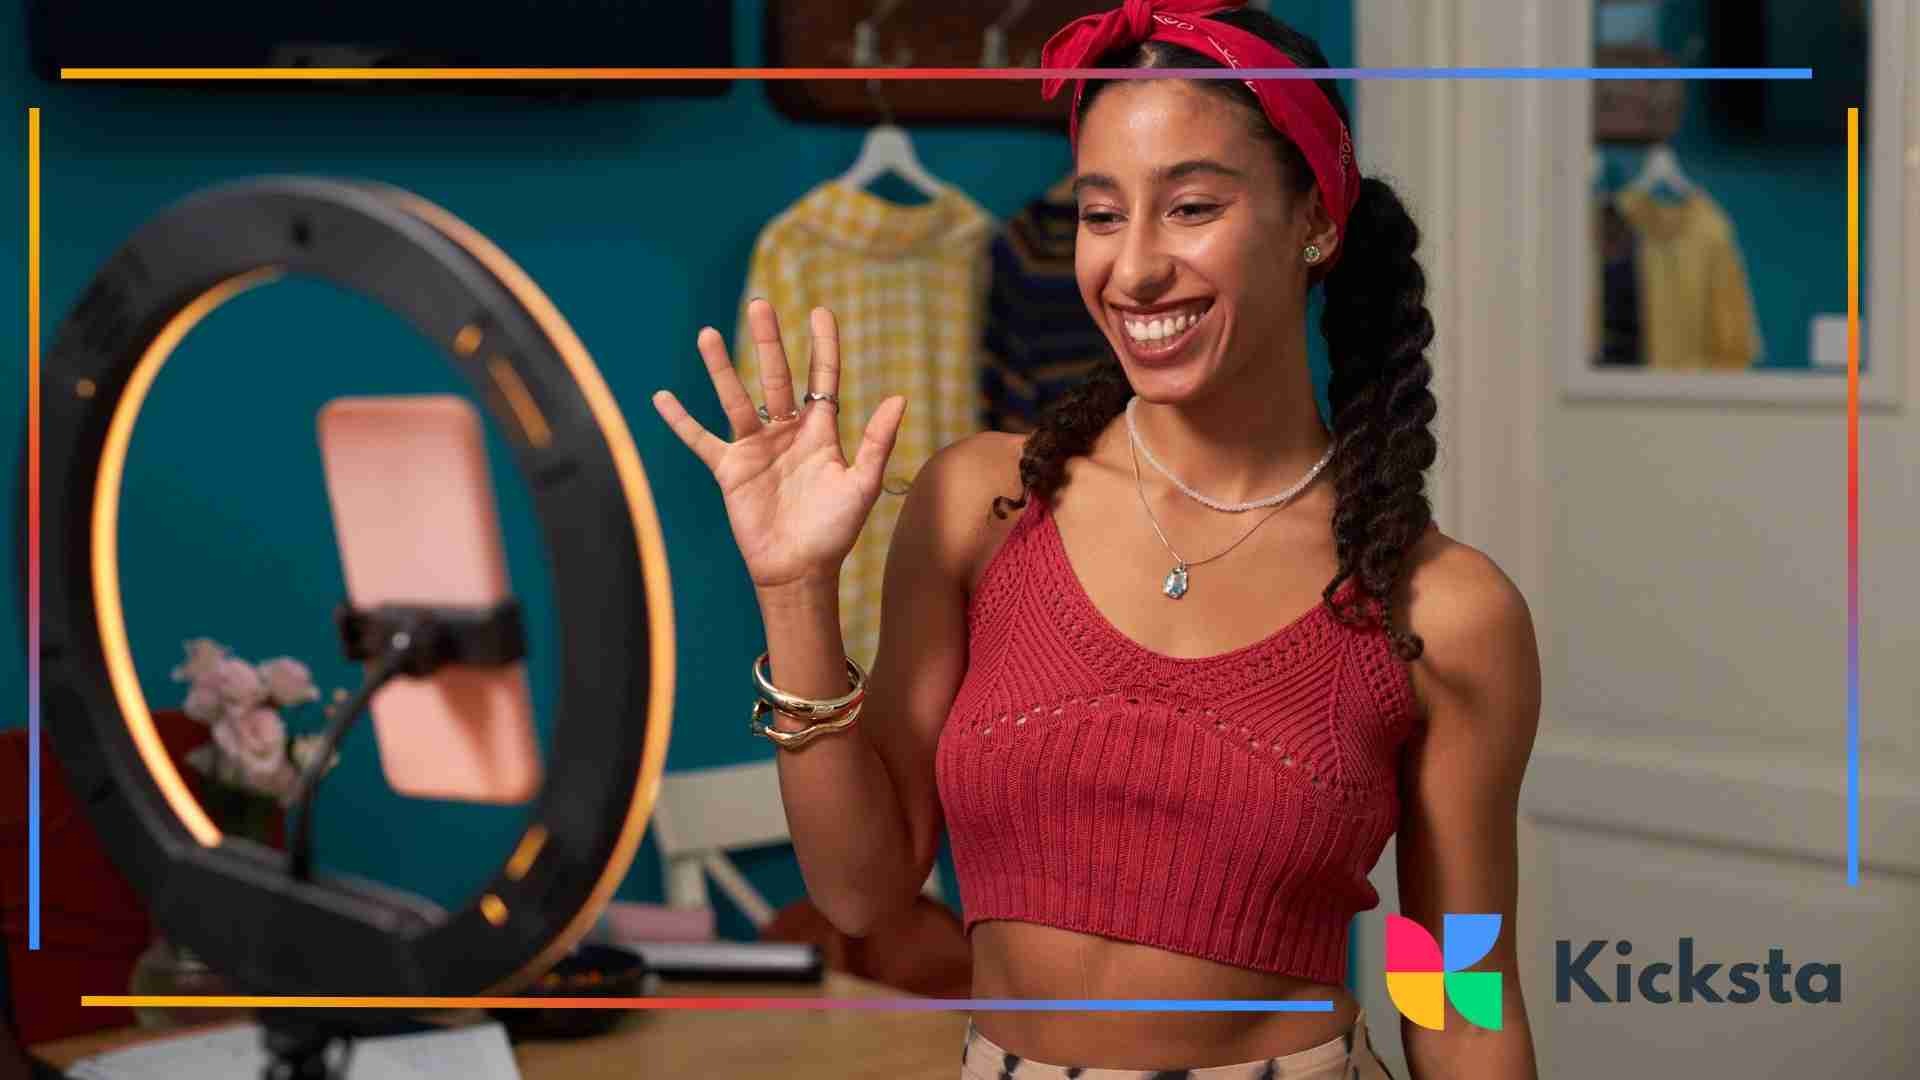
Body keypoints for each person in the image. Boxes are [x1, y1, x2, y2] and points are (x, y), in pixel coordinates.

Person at [652, 2, 1541, 1076]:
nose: (1134, 270)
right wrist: (795, 592)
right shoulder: (983, 507)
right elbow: (863, 890)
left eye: (1193, 207)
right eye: (1102, 213)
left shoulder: (1442, 610)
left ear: (1315, 219)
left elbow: (1454, 991)